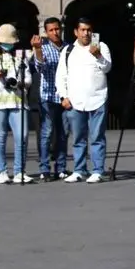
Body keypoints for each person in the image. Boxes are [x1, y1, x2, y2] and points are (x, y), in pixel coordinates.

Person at [56, 17, 112, 183]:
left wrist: (98, 56)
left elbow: (107, 67)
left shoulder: (101, 46)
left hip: (97, 98)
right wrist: (63, 96)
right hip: (75, 101)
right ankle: (79, 169)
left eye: (89, 30)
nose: (86, 33)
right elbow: (61, 76)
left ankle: (98, 170)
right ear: (76, 32)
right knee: (78, 138)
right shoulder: (68, 51)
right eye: (83, 30)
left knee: (97, 137)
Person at [0, 24, 33, 184]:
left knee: (22, 136)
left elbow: (29, 78)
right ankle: (2, 171)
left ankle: (19, 171)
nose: (8, 44)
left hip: (18, 101)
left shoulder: (20, 56)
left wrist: (20, 83)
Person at [31, 17, 69, 181]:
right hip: (48, 95)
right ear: (46, 32)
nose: (55, 32)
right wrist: (38, 49)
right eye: (51, 30)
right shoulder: (43, 47)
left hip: (66, 97)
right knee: (47, 132)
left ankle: (60, 168)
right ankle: (44, 168)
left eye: (57, 29)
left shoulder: (68, 48)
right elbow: (40, 66)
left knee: (63, 133)